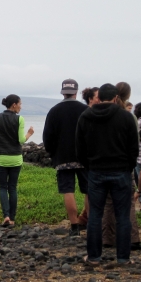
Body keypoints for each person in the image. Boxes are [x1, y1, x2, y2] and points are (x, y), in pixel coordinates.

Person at [76, 83, 140, 266]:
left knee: (95, 215)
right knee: (123, 215)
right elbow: (133, 148)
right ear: (116, 98)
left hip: (96, 171)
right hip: (121, 170)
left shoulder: (85, 117)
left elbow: (79, 148)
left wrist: (90, 166)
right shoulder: (125, 117)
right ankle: (123, 258)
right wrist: (127, 167)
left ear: (98, 98)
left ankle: (94, 257)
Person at [43, 79, 90, 235]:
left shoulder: (54, 111)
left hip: (63, 158)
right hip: (84, 158)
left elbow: (47, 137)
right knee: (88, 191)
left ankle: (74, 226)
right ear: (76, 92)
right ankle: (91, 223)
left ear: (63, 92)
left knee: (68, 191)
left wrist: (53, 153)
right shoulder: (85, 110)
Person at [102, 82, 141, 251]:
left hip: (104, 164)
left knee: (108, 203)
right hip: (124, 164)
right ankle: (132, 238)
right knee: (128, 202)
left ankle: (108, 238)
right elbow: (134, 143)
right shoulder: (129, 117)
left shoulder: (103, 114)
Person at [0, 94, 34, 226]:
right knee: (12, 188)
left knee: (2, 187)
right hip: (15, 159)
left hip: (1, 159)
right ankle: (12, 218)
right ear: (14, 105)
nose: (21, 107)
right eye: (20, 104)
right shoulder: (20, 119)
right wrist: (29, 133)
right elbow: (21, 140)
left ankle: (6, 215)